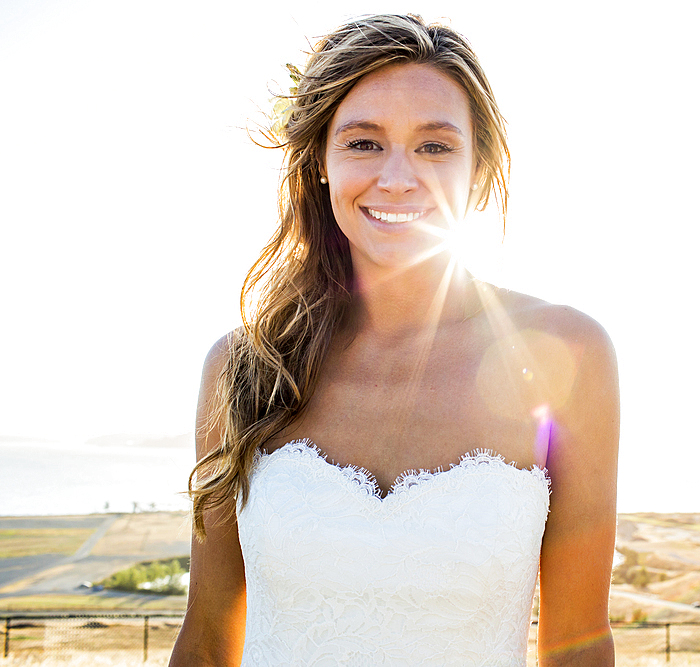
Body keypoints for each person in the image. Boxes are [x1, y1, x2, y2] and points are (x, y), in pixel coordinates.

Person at [169, 14, 619, 667]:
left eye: (435, 146)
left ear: (479, 166)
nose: (399, 178)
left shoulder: (565, 354)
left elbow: (579, 644)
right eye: (363, 143)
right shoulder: (245, 366)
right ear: (320, 163)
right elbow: (209, 636)